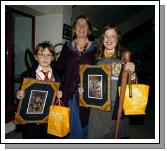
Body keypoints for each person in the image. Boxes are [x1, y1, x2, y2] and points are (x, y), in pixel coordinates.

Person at [79, 24, 136, 139]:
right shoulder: (95, 59)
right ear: (102, 39)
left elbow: (132, 89)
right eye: (106, 36)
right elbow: (89, 84)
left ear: (118, 39)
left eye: (113, 36)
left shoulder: (124, 59)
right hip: (97, 111)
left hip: (116, 110)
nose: (109, 39)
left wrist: (132, 76)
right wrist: (83, 90)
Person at [54, 15, 97, 139]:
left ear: (89, 29)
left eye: (85, 25)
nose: (82, 27)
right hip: (67, 92)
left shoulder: (95, 48)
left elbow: (100, 70)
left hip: (85, 93)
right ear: (74, 28)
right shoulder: (67, 47)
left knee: (83, 123)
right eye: (79, 24)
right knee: (66, 123)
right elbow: (58, 67)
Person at [16, 41, 62, 139]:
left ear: (53, 57)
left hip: (51, 118)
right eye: (41, 54)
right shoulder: (27, 75)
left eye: (48, 55)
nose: (45, 58)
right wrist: (19, 95)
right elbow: (21, 94)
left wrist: (61, 95)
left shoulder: (59, 75)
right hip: (32, 119)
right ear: (36, 57)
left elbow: (63, 95)